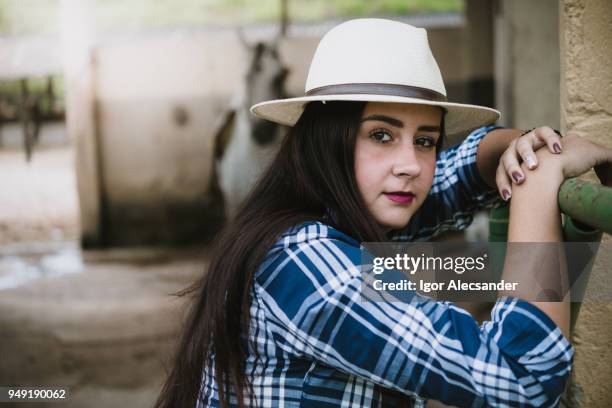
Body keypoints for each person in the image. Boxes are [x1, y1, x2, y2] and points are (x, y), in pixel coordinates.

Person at [155, 19, 612, 407]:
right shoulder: (307, 263)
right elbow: (523, 378)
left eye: (426, 140)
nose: (411, 165)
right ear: (328, 141)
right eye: (380, 135)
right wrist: (538, 179)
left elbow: (455, 177)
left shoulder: (328, 212)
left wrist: (524, 145)